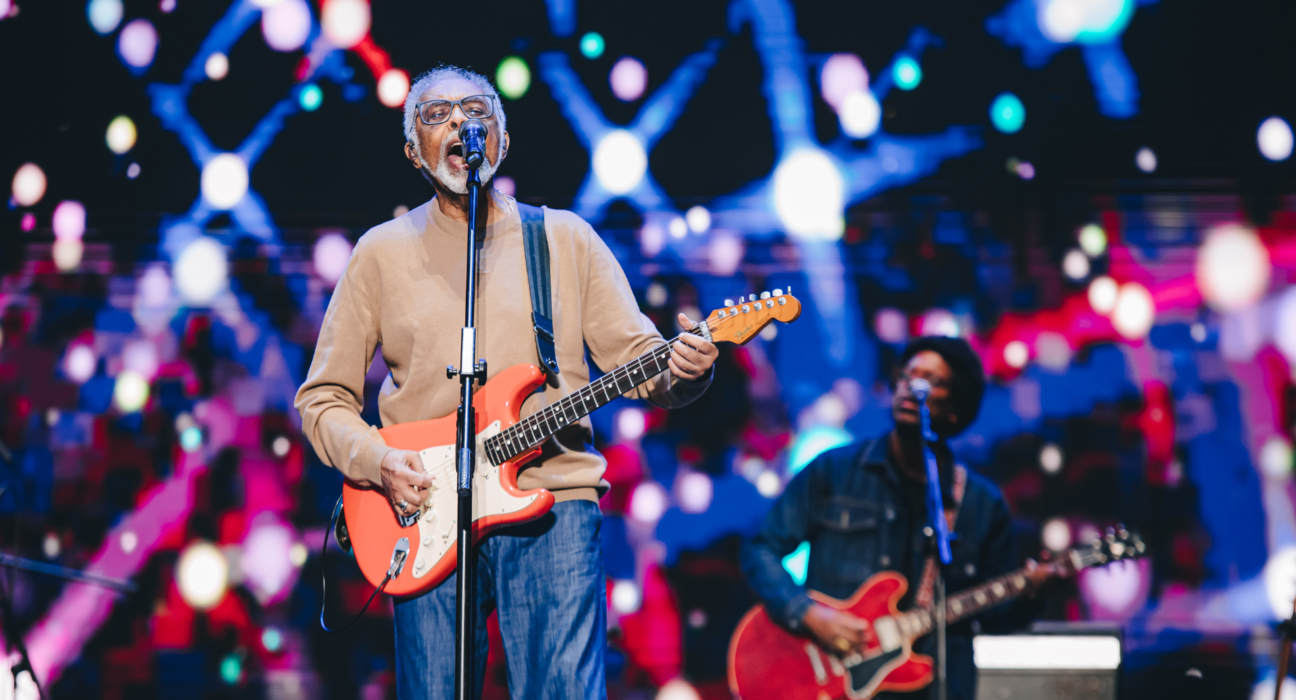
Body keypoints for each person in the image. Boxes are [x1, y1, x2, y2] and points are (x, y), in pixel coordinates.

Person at [294, 66, 718, 700]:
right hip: (424, 512)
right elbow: (321, 400)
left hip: (553, 501)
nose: (461, 124)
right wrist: (378, 460)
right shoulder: (379, 253)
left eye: (476, 110)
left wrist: (685, 371)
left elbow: (645, 366)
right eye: (437, 115)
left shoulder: (564, 239)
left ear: (502, 139)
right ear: (414, 152)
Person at [740, 336, 1043, 700]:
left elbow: (997, 619)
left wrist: (1032, 591)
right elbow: (760, 547)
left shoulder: (981, 502)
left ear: (955, 410)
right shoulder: (835, 471)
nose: (913, 386)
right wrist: (808, 614)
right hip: (834, 685)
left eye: (932, 380)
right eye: (908, 375)